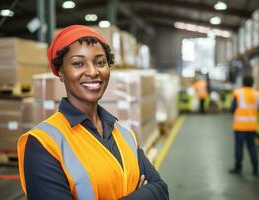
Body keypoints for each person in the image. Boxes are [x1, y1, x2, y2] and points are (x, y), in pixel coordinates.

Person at [17, 25, 168, 200]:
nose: (93, 72)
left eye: (100, 62)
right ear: (60, 71)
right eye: (78, 63)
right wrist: (141, 195)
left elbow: (161, 189)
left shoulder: (125, 135)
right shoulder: (43, 144)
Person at [229, 75, 259, 177]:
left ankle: (238, 168)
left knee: (239, 147)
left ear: (243, 82)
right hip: (252, 126)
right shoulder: (258, 95)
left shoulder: (238, 93)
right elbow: (258, 110)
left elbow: (232, 109)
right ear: (252, 83)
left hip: (240, 126)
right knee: (252, 147)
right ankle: (256, 170)